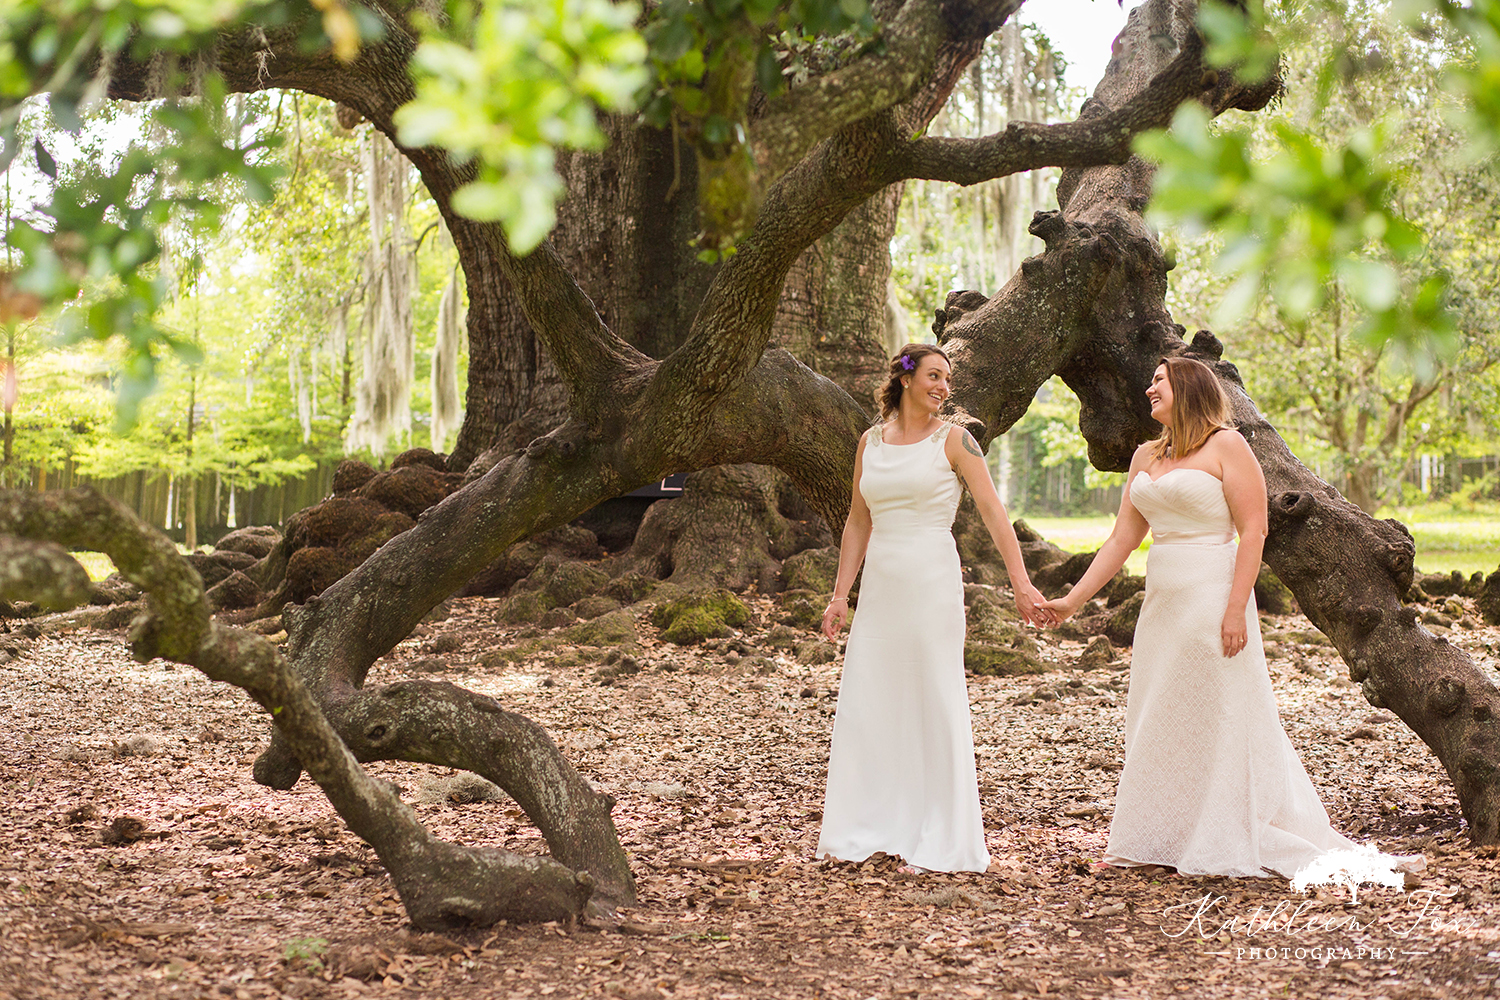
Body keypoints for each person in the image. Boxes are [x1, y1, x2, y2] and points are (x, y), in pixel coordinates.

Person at [1039, 356, 1417, 879]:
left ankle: (1221, 829)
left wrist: (1237, 606)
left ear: (1189, 389)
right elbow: (1123, 538)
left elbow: (1254, 530)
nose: (1149, 389)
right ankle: (1158, 834)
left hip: (1212, 593)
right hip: (1163, 600)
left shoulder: (1228, 446)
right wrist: (1071, 601)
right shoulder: (1145, 455)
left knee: (1218, 711)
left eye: (1159, 381)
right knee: (1161, 710)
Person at [816, 343, 1048, 874]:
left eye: (948, 379)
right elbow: (857, 521)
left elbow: (993, 512)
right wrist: (839, 596)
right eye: (935, 376)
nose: (944, 387)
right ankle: (871, 824)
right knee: (872, 697)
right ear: (904, 379)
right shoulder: (869, 442)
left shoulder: (957, 441)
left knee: (932, 696)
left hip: (931, 581)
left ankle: (940, 830)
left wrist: (1020, 582)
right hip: (880, 587)